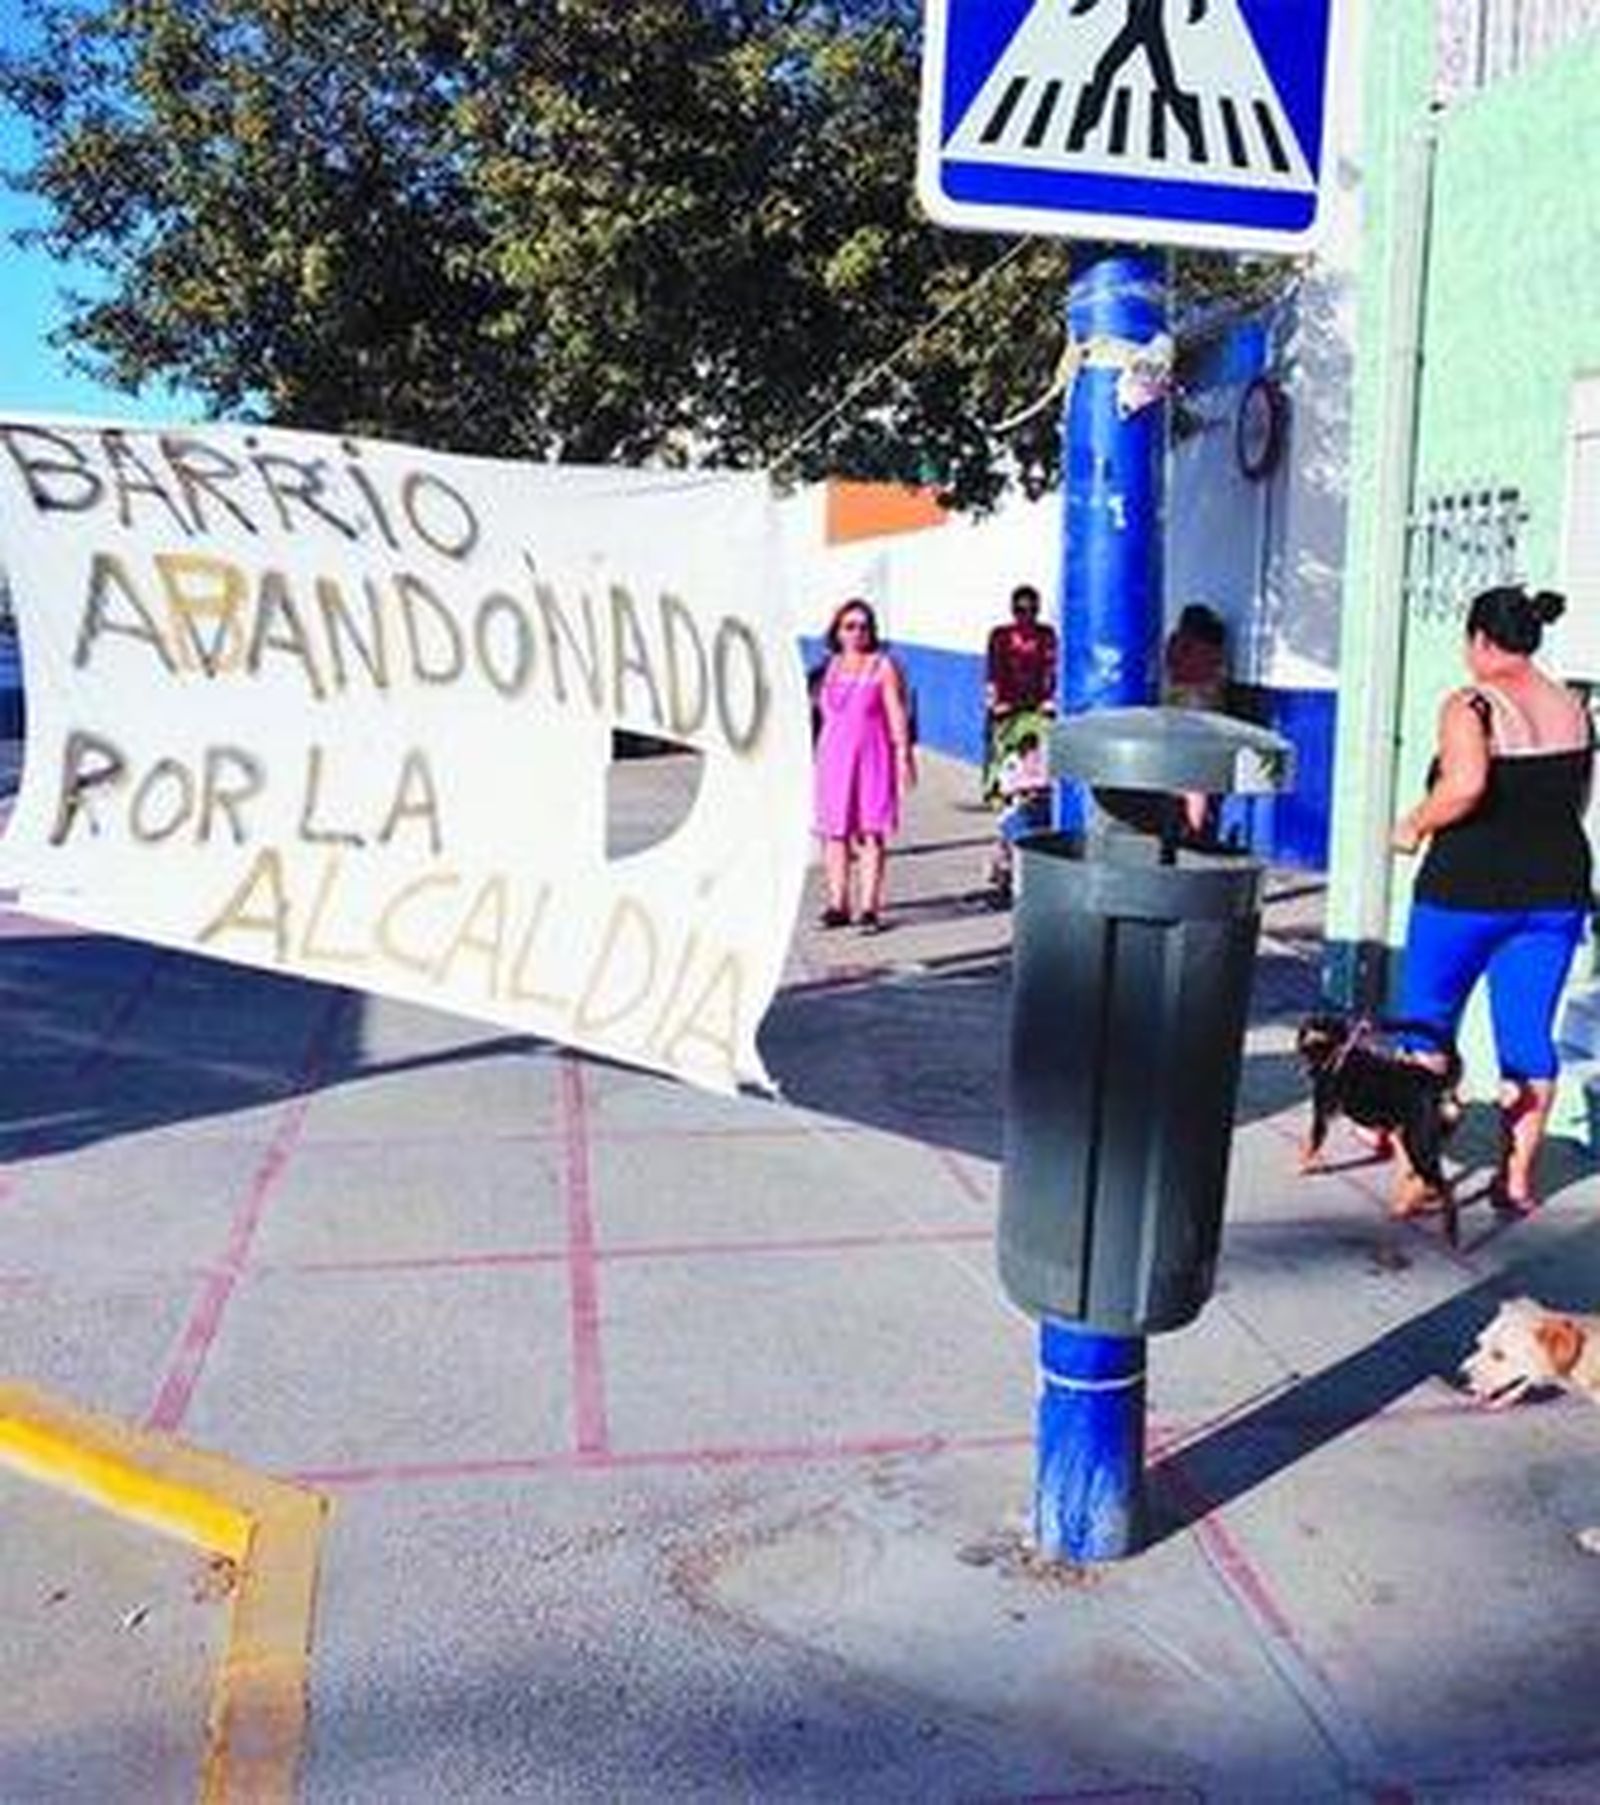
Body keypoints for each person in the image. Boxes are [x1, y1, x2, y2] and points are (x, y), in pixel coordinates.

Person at [1391, 585, 1594, 1216]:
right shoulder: (1574, 707)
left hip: (1465, 891)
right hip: (1555, 891)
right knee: (1528, 1035)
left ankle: (1421, 1174)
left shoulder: (1471, 704)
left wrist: (1413, 824)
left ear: (1480, 639)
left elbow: (1466, 786)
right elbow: (1577, 800)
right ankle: (1516, 1181)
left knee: (1426, 1024)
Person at [812, 598, 916, 933]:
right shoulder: (830, 667)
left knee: (871, 831)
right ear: (837, 631)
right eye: (849, 626)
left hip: (873, 758)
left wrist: (903, 755)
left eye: (863, 626)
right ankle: (837, 904)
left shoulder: (882, 666)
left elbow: (896, 713)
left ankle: (869, 907)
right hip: (833, 759)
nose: (857, 632)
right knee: (834, 833)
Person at [983, 584, 1058, 803]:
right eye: (1020, 610)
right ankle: (1002, 796)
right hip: (1008, 706)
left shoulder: (1046, 635)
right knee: (1007, 755)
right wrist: (994, 703)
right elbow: (992, 672)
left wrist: (1051, 699)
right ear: (1012, 611)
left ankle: (1035, 792)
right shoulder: (1000, 636)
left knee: (1038, 752)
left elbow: (1052, 668)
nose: (1026, 616)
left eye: (1032, 610)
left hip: (1037, 706)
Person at [1163, 602, 1229, 839]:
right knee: (1198, 780)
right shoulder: (1215, 644)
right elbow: (1221, 677)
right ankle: (1195, 830)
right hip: (1206, 707)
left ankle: (1180, 826)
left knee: (1178, 775)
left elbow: (1169, 667)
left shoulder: (1176, 642)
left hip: (1177, 705)